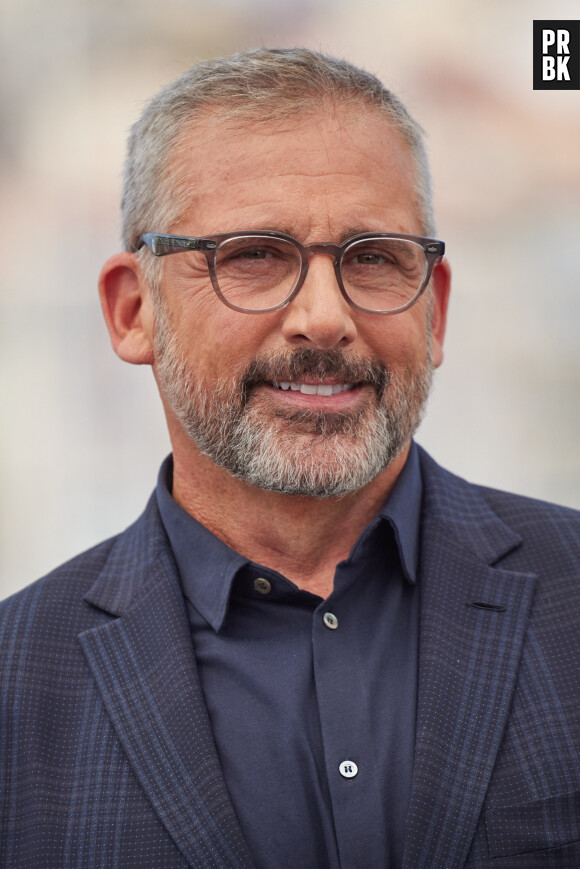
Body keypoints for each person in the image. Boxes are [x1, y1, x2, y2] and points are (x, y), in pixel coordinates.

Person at [1, 47, 579, 869]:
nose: (322, 317)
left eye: (374, 258)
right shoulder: (16, 683)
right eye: (254, 256)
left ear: (437, 311)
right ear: (135, 312)